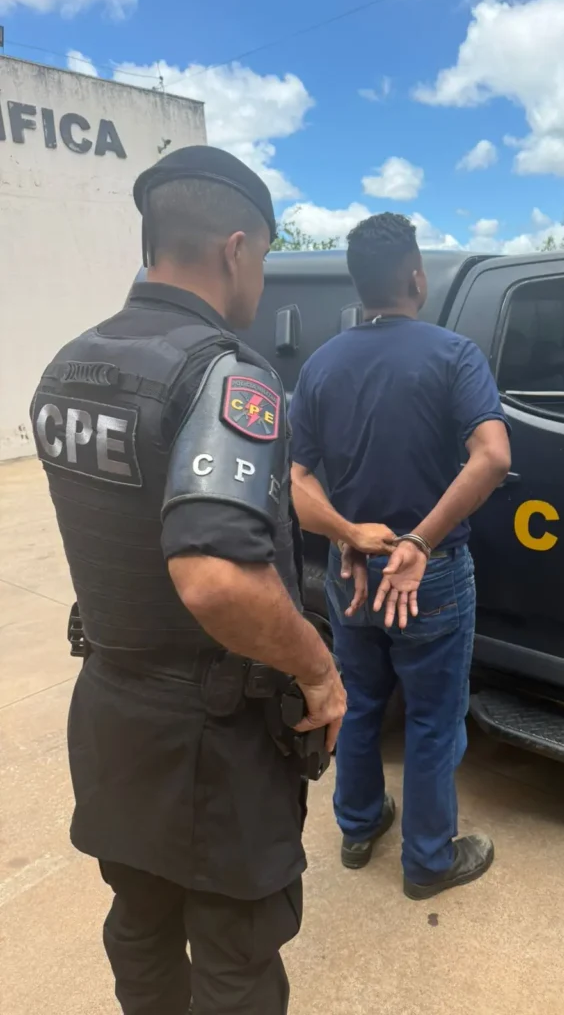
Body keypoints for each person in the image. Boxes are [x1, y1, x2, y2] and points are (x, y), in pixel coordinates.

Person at [28, 145, 349, 1015]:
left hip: (114, 715)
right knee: (236, 958)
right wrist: (319, 670)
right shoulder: (225, 375)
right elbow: (216, 580)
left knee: (140, 926)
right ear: (236, 250)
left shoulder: (67, 365)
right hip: (215, 738)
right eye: (265, 261)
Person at [289, 212, 511, 901]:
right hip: (429, 576)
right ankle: (428, 862)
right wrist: (419, 540)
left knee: (357, 703)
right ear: (416, 277)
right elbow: (493, 457)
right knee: (433, 718)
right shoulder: (454, 355)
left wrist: (350, 534)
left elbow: (295, 482)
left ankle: (358, 828)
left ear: (359, 286)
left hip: (352, 574)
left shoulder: (321, 365)